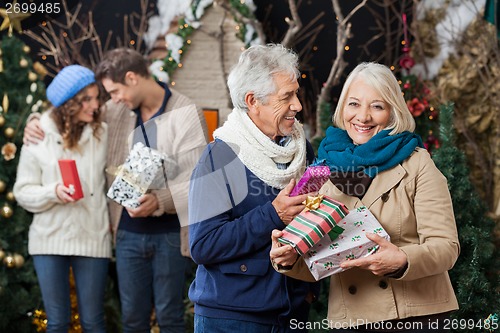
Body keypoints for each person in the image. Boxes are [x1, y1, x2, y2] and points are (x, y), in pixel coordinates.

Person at [24, 48, 208, 333]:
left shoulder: (185, 112)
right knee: (132, 320)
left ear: (132, 78)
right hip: (126, 235)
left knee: (170, 318)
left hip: (170, 236)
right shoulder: (117, 110)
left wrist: (159, 200)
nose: (108, 100)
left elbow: (199, 184)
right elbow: (66, 112)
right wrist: (34, 121)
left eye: (113, 91)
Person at [270, 62, 460, 332]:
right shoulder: (323, 168)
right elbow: (318, 259)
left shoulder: (417, 162)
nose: (363, 117)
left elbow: (446, 247)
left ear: (393, 112)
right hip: (353, 319)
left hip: (415, 316)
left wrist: (402, 260)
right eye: (354, 104)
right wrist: (288, 259)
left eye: (377, 106)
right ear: (343, 108)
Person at [188, 43, 319, 333]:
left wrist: (310, 290)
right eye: (286, 96)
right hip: (232, 318)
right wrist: (273, 214)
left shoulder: (302, 150)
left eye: (296, 93)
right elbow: (202, 246)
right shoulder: (219, 156)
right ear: (253, 101)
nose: (297, 105)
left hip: (292, 313)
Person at [14, 65, 111, 333]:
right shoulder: (39, 135)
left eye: (96, 97)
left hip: (92, 236)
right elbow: (22, 191)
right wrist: (52, 192)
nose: (95, 105)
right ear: (69, 104)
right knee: (57, 323)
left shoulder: (102, 132)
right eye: (87, 99)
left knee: (93, 321)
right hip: (49, 239)